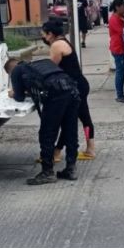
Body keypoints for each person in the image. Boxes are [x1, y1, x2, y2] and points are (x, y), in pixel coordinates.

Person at [5, 58, 80, 185]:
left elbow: (19, 97)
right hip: (72, 91)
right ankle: (70, 169)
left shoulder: (17, 70)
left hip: (55, 96)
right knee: (70, 131)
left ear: (10, 70)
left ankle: (47, 172)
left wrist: (13, 93)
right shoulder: (42, 63)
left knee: (47, 134)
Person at [39, 19, 96, 160]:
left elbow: (51, 69)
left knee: (68, 120)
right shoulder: (64, 41)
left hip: (74, 88)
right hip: (80, 84)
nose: (44, 38)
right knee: (84, 118)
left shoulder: (57, 45)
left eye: (44, 35)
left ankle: (57, 152)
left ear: (50, 34)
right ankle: (90, 149)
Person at [108, 0, 124, 103]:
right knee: (120, 72)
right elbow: (123, 32)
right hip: (118, 48)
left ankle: (122, 93)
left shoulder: (121, 17)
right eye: (123, 6)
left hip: (123, 48)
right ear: (117, 7)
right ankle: (120, 95)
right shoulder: (114, 19)